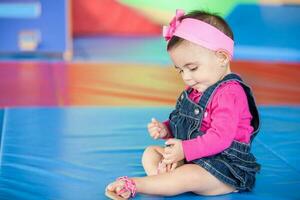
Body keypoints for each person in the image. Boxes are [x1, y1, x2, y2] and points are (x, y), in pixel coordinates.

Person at [105, 9, 261, 199]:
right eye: (180, 70)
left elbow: (220, 138)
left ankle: (138, 184)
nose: (186, 77)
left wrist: (184, 150)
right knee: (150, 152)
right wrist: (166, 129)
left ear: (222, 57)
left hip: (224, 168)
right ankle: (165, 181)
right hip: (194, 158)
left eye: (192, 68)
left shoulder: (230, 93)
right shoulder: (198, 88)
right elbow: (186, 123)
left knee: (189, 176)